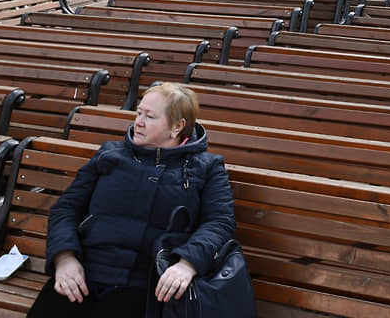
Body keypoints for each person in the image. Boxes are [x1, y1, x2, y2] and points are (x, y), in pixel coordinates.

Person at [27, 83, 236, 318]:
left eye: (150, 116)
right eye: (138, 113)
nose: (139, 122)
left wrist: (188, 264)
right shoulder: (110, 154)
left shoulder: (207, 168)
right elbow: (66, 209)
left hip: (145, 284)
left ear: (177, 127)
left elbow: (219, 223)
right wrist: (64, 258)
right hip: (85, 270)